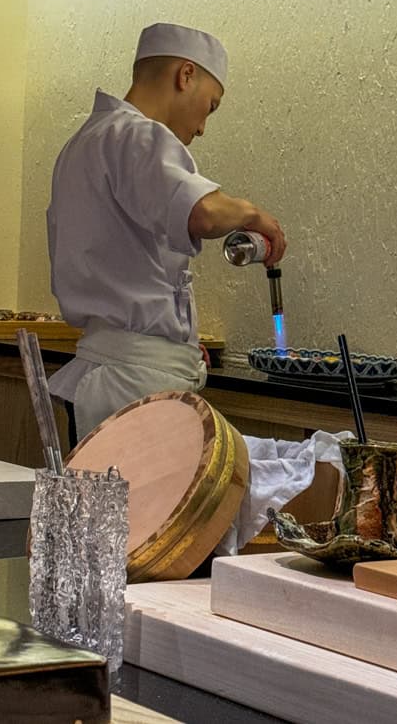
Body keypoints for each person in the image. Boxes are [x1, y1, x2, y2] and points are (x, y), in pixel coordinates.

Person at [47, 23, 286, 442]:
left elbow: (132, 259)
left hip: (112, 369)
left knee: (102, 508)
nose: (202, 129)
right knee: (141, 509)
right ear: (185, 75)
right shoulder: (137, 134)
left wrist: (179, 342)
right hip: (133, 386)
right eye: (210, 107)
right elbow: (202, 213)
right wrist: (255, 215)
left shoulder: (84, 142)